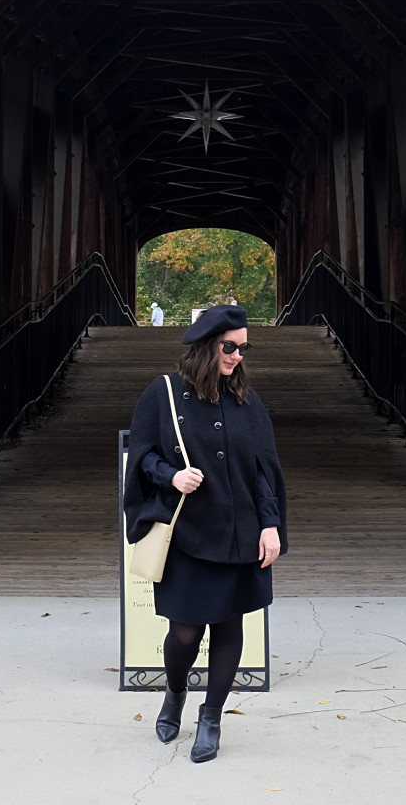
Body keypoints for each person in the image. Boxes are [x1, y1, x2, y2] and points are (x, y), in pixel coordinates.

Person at [121, 304, 286, 763]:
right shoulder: (165, 393)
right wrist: (171, 477)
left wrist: (270, 525)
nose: (237, 356)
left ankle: (211, 717)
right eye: (229, 347)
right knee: (185, 634)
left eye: (243, 348)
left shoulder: (246, 401)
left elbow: (263, 473)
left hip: (241, 534)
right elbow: (142, 456)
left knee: (231, 627)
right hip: (189, 535)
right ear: (206, 346)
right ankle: (175, 694)